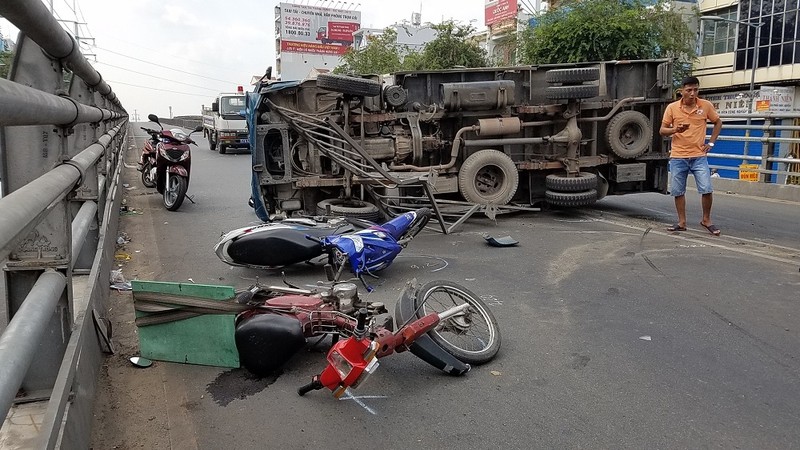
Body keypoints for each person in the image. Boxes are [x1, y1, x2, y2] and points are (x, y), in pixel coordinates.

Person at [659, 76, 723, 236]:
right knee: (678, 191)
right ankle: (681, 222)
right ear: (682, 91)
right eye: (689, 90)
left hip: (699, 156)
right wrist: (675, 130)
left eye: (695, 90)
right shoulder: (672, 108)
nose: (692, 93)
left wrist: (711, 143)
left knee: (707, 188)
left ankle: (706, 220)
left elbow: (718, 122)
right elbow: (662, 130)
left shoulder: (705, 106)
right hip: (678, 156)